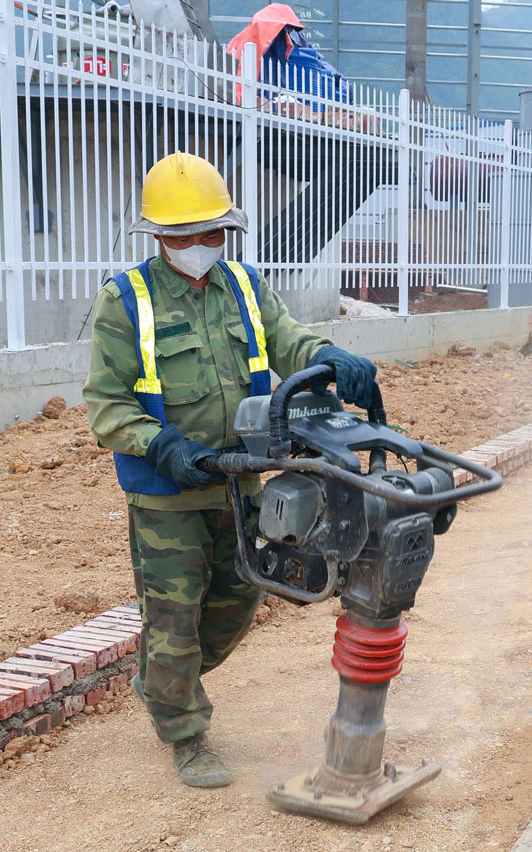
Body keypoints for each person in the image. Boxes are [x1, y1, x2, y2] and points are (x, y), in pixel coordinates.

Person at [83, 152, 378, 789]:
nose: (201, 245)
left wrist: (327, 355)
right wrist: (161, 446)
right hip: (167, 494)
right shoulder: (125, 302)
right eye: (187, 236)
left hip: (240, 477)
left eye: (212, 233)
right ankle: (185, 731)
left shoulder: (244, 287)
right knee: (174, 616)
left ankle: (163, 680)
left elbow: (287, 338)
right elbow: (106, 406)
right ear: (159, 236)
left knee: (239, 600)